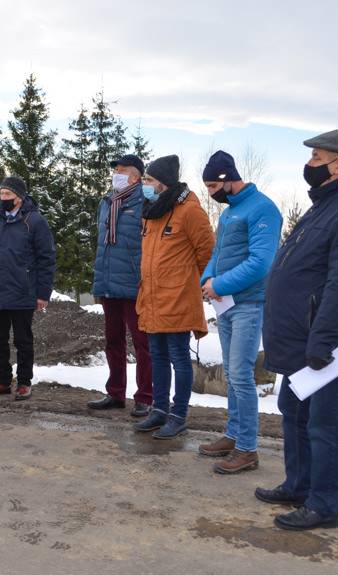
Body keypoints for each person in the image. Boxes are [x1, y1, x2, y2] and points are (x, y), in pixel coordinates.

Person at [256, 130, 338, 530]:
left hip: (325, 347)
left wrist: (324, 341)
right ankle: (299, 484)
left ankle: (324, 504)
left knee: (325, 426)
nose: (309, 164)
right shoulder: (326, 204)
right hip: (300, 340)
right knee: (294, 413)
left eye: (316, 157)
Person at [199, 151, 282, 474]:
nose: (210, 192)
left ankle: (248, 449)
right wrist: (206, 279)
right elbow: (218, 254)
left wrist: (221, 285)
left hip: (248, 303)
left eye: (211, 185)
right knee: (233, 375)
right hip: (227, 304)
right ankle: (234, 435)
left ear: (226, 179)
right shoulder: (231, 212)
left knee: (241, 376)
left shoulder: (263, 209)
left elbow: (261, 263)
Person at [134, 155, 215, 438]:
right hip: (153, 298)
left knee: (179, 357)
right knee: (157, 356)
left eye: (149, 180)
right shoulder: (153, 211)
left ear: (164, 183)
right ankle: (159, 410)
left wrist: (201, 286)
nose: (145, 184)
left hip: (179, 299)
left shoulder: (189, 211)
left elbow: (208, 254)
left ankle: (178, 415)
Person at [0, 176, 56, 400]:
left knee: (23, 341)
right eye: (1, 194)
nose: (4, 199)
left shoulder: (35, 221)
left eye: (8, 195)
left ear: (19, 198)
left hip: (23, 291)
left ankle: (24, 382)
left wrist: (42, 293)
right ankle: (2, 381)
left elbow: (46, 259)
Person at [87, 154, 153, 417]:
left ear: (135, 176)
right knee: (113, 342)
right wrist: (98, 283)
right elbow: (102, 246)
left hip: (133, 284)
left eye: (121, 170)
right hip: (108, 283)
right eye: (115, 170)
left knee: (142, 343)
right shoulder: (107, 202)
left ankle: (145, 396)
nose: (116, 173)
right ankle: (115, 393)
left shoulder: (145, 202)